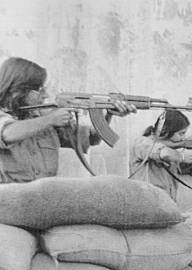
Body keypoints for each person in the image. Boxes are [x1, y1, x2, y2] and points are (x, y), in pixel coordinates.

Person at [0, 57, 135, 183]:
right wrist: (51, 119)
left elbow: (91, 139)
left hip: (42, 201)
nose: (45, 95)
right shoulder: (44, 119)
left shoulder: (41, 117)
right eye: (40, 90)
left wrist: (108, 114)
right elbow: (7, 133)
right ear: (17, 90)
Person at [129, 110, 192, 201]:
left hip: (166, 206)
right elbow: (164, 154)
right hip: (147, 205)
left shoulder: (172, 152)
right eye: (181, 133)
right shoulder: (142, 143)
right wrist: (182, 156)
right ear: (167, 131)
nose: (183, 138)